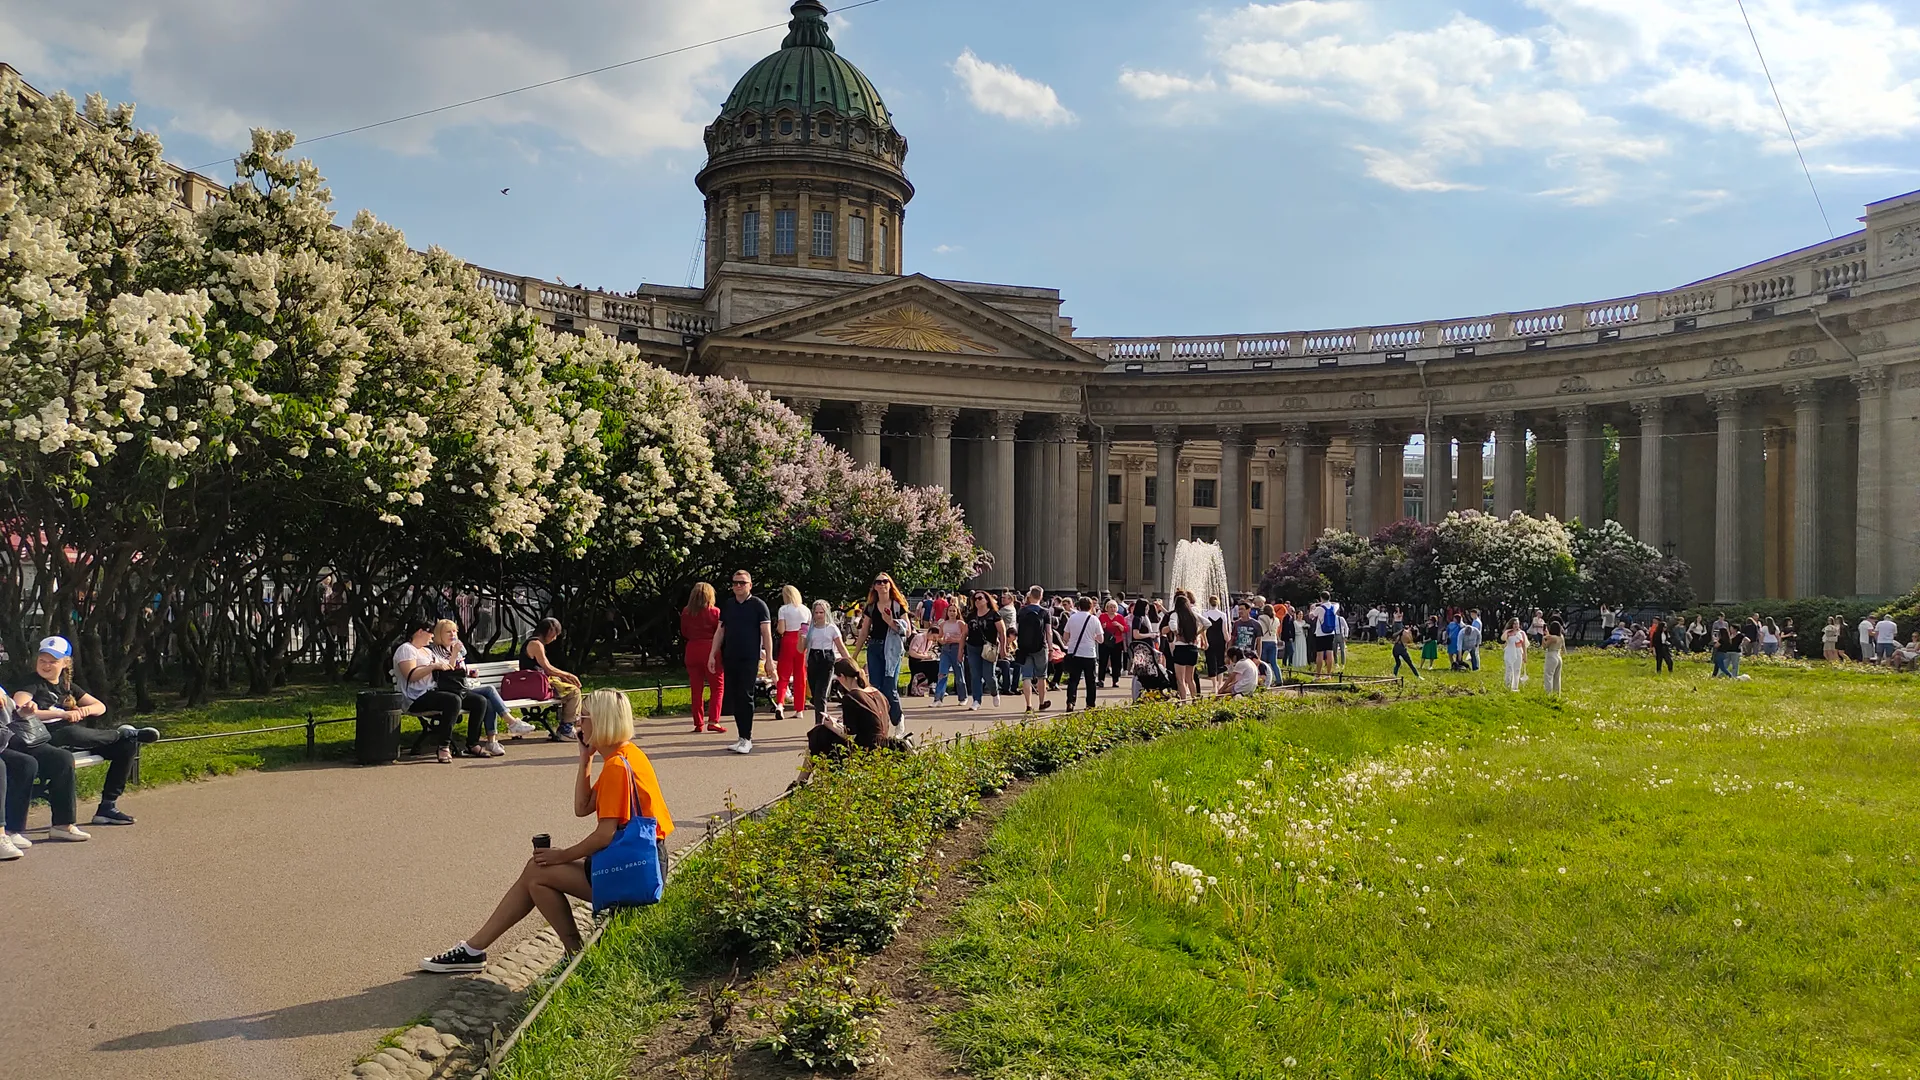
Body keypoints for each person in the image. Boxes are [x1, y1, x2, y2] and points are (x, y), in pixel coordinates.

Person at [422, 689, 672, 971]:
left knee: (539, 871)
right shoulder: (626, 755)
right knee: (537, 872)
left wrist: (561, 856)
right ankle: (479, 949)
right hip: (639, 861)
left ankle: (562, 954)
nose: (578, 724)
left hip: (632, 870)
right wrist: (585, 758)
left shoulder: (617, 766)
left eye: (583, 718)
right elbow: (583, 807)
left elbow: (604, 835)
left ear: (600, 722)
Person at [11, 637, 158, 826]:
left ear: (65, 663)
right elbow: (19, 708)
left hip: (70, 738)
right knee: (71, 733)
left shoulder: (68, 686)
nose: (46, 665)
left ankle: (107, 807)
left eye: (53, 661)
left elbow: (100, 707)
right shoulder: (31, 683)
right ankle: (125, 733)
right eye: (42, 660)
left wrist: (83, 710)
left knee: (126, 746)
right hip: (43, 740)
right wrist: (61, 715)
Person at [394, 623, 484, 763]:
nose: (433, 636)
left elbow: (447, 669)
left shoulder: (427, 651)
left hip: (435, 691)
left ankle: (472, 743)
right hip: (416, 697)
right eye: (430, 632)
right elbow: (410, 676)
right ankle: (443, 746)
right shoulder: (406, 649)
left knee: (479, 701)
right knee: (453, 700)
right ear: (420, 631)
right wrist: (433, 666)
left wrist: (455, 658)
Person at [710, 570, 775, 755]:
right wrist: (712, 654)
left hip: (749, 657)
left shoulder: (758, 605)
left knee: (746, 696)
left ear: (750, 585)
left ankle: (747, 738)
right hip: (730, 656)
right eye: (735, 582)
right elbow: (720, 631)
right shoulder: (729, 605)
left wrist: (769, 659)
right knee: (736, 696)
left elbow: (766, 633)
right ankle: (741, 737)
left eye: (742, 583)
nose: (738, 586)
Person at [431, 620, 507, 758]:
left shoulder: (457, 649)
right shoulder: (435, 651)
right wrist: (454, 654)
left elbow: (460, 670)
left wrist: (469, 672)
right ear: (439, 634)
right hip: (447, 691)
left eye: (454, 631)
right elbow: (447, 671)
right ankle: (509, 721)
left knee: (482, 701)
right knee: (487, 691)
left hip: (461, 688)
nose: (452, 635)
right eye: (448, 632)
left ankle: (473, 743)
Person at [852, 573, 911, 730]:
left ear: (890, 584)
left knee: (889, 687)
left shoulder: (898, 606)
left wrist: (890, 622)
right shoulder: (871, 607)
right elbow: (864, 631)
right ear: (874, 586)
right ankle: (880, 723)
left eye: (885, 581)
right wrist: (855, 655)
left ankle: (898, 720)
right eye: (878, 582)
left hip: (891, 649)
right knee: (876, 687)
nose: (882, 584)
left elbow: (908, 630)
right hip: (875, 648)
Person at [520, 618, 583, 740]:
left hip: (537, 682)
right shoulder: (536, 644)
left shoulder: (535, 643)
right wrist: (568, 675)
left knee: (569, 688)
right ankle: (566, 728)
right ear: (549, 631)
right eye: (555, 634)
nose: (554, 638)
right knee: (574, 692)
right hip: (535, 685)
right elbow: (547, 668)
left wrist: (563, 677)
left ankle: (568, 724)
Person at [681, 584, 726, 735]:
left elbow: (684, 632)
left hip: (692, 649)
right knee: (717, 687)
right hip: (710, 649)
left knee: (696, 689)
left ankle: (698, 723)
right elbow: (720, 632)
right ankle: (713, 720)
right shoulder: (715, 612)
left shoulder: (686, 611)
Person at [802, 600, 853, 723]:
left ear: (827, 613)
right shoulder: (810, 628)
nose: (819, 615)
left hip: (827, 659)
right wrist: (801, 636)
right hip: (813, 658)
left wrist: (851, 662)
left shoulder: (832, 628)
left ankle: (820, 724)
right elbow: (801, 648)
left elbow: (841, 647)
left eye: (822, 612)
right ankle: (822, 720)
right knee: (815, 694)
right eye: (816, 612)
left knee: (821, 693)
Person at [1013, 586, 1056, 713]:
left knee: (1026, 677)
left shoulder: (1022, 611)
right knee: (1041, 676)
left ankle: (1028, 705)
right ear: (1041, 596)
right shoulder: (1045, 612)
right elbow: (1049, 632)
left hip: (1024, 648)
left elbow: (1017, 629)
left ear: (1030, 596)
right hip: (1040, 647)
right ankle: (1042, 703)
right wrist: (1051, 648)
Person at [963, 591, 1007, 711]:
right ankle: (976, 700)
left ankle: (994, 692)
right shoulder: (971, 615)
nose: (977, 601)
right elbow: (965, 633)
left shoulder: (994, 614)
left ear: (987, 600)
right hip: (973, 647)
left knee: (989, 675)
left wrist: (1003, 648)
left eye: (980, 598)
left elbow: (1002, 633)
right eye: (975, 599)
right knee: (975, 675)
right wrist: (961, 649)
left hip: (989, 647)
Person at [1061, 595, 1105, 712]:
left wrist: (1071, 641)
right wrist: (1093, 637)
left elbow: (1065, 636)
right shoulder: (1094, 619)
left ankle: (1070, 702)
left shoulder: (1072, 618)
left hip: (1074, 653)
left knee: (1073, 680)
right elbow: (1101, 639)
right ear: (1091, 606)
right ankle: (1090, 704)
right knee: (1090, 681)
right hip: (1089, 653)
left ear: (1078, 606)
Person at [774, 585, 811, 722]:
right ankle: (799, 709)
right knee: (800, 675)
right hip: (801, 640)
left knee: (783, 675)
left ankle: (780, 704)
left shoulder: (783, 609)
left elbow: (781, 629)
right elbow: (807, 630)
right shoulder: (806, 610)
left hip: (788, 640)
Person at [1168, 592, 1206, 700]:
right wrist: (1198, 633)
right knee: (1190, 678)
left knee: (1180, 679)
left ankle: (1184, 702)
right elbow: (1207, 623)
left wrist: (1177, 633)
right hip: (1193, 648)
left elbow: (1172, 625)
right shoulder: (1193, 614)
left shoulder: (1175, 614)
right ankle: (1194, 700)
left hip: (1180, 648)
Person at [1098, 600, 1130, 688]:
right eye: (1110, 607)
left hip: (1117, 641)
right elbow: (1097, 628)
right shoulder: (1102, 616)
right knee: (1103, 661)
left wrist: (1119, 625)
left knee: (1116, 662)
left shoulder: (1120, 617)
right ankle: (1101, 679)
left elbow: (1125, 629)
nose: (1112, 609)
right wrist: (1102, 626)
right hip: (1105, 641)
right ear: (1107, 608)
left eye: (1114, 607)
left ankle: (1115, 680)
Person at [1501, 618, 1529, 692]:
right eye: (1514, 624)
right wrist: (1507, 632)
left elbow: (1524, 645)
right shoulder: (1508, 632)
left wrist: (1525, 656)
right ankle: (1508, 685)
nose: (1516, 625)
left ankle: (1515, 686)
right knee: (1509, 668)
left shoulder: (1521, 633)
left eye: (1517, 623)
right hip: (1510, 651)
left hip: (1518, 651)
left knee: (1517, 669)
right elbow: (1503, 638)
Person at [1541, 620, 1565, 694]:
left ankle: (1548, 693)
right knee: (1557, 677)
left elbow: (1545, 646)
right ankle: (1557, 693)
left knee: (1548, 676)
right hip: (1558, 655)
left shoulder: (1551, 638)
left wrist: (1543, 637)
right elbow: (1563, 648)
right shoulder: (1561, 636)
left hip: (1551, 655)